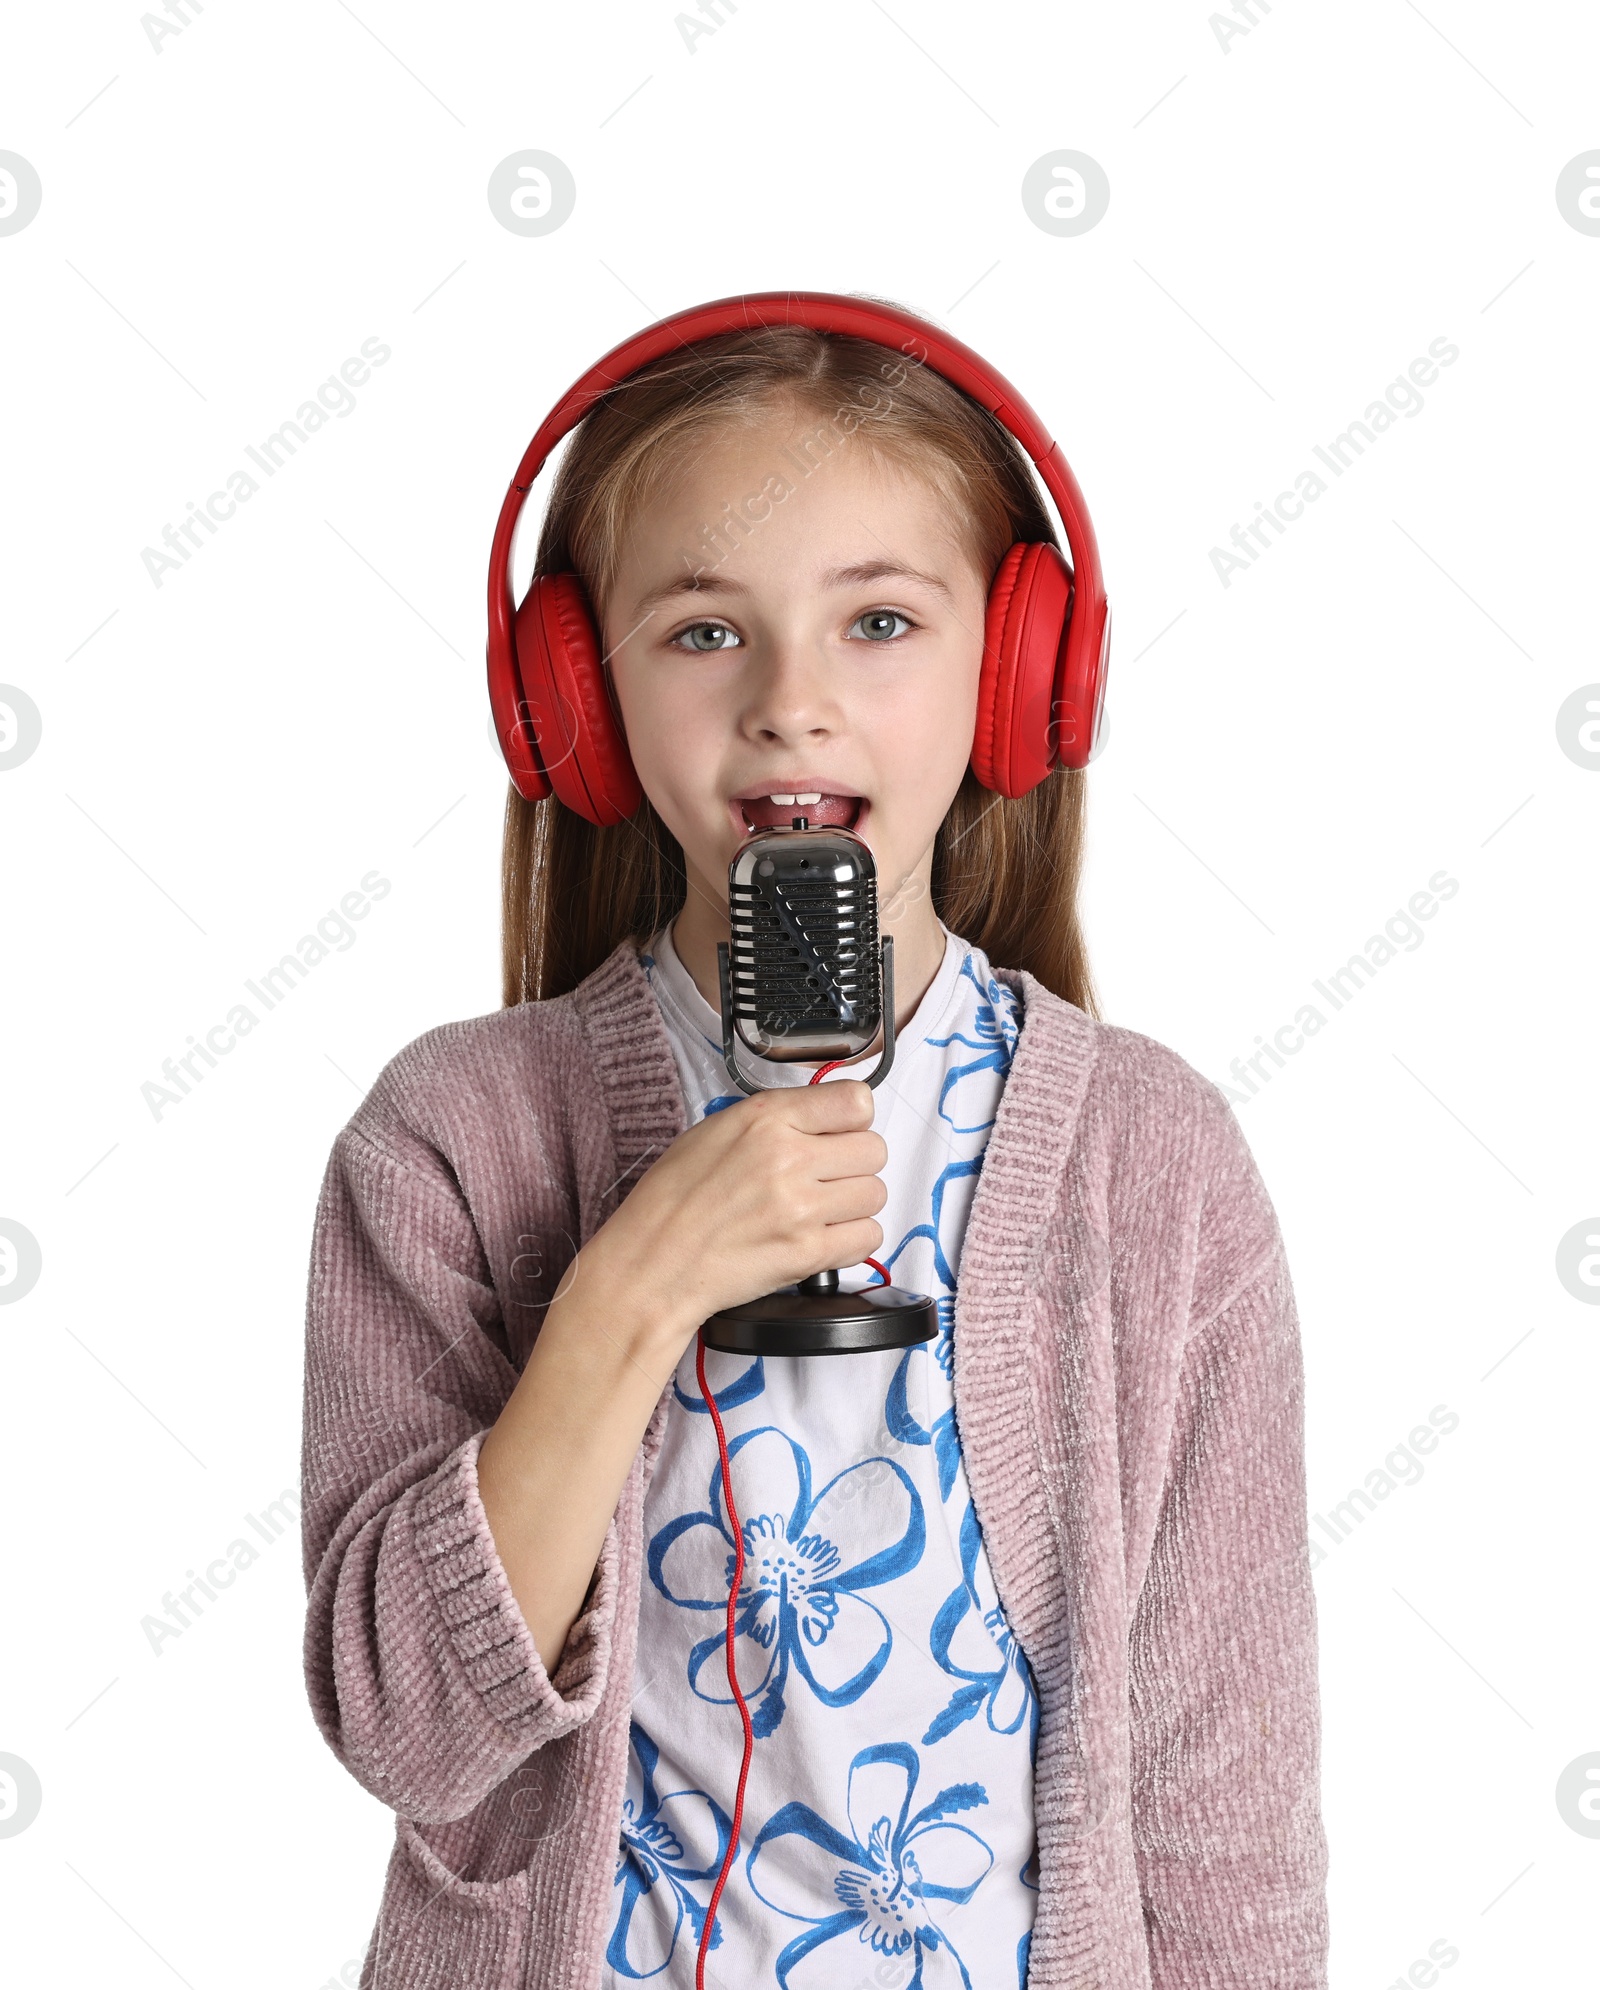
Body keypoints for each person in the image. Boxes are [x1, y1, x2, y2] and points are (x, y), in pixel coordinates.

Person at [300, 300, 1330, 1989]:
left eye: (878, 622)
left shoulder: (1155, 1167)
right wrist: (632, 1290)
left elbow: (1225, 1818)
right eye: (706, 632)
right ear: (576, 695)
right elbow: (408, 1728)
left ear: (1010, 679)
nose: (794, 703)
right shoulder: (455, 1142)